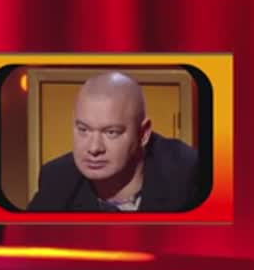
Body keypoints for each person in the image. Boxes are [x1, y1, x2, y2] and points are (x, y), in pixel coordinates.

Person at [27, 71, 202, 212]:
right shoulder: (56, 179)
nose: (94, 148)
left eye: (111, 132)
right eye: (83, 130)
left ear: (143, 134)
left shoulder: (188, 173)